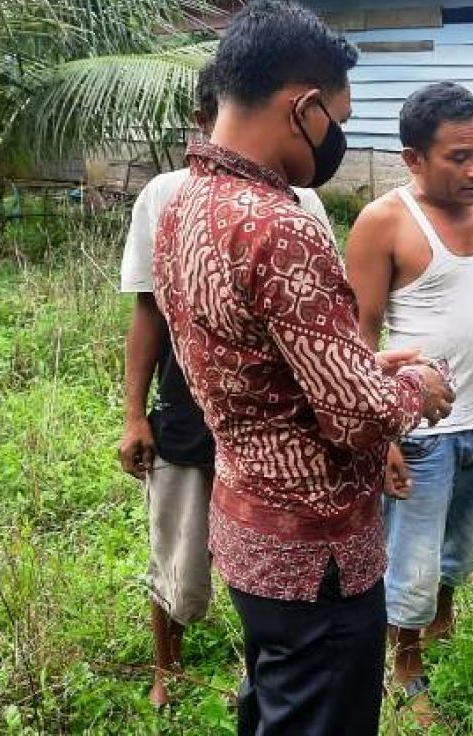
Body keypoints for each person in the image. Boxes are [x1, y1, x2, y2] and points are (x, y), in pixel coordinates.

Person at [152, 0, 454, 735]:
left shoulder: (181, 206)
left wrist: (352, 362)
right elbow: (356, 415)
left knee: (275, 703)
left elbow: (245, 362)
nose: (337, 139)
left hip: (248, 528)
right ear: (305, 107)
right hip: (317, 552)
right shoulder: (280, 225)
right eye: (337, 119)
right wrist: (418, 385)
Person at [117, 62, 337, 708]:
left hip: (277, 425)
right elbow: (147, 310)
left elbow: (325, 318)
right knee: (177, 555)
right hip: (189, 409)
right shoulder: (164, 197)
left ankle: (262, 670)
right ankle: (169, 666)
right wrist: (135, 413)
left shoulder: (304, 201)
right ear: (202, 124)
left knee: (269, 559)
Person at [346, 81, 473, 725]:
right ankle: (405, 664)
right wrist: (380, 433)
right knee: (409, 558)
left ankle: (441, 625)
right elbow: (360, 337)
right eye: (456, 158)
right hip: (417, 431)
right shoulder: (384, 222)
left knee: (460, 545)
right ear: (414, 159)